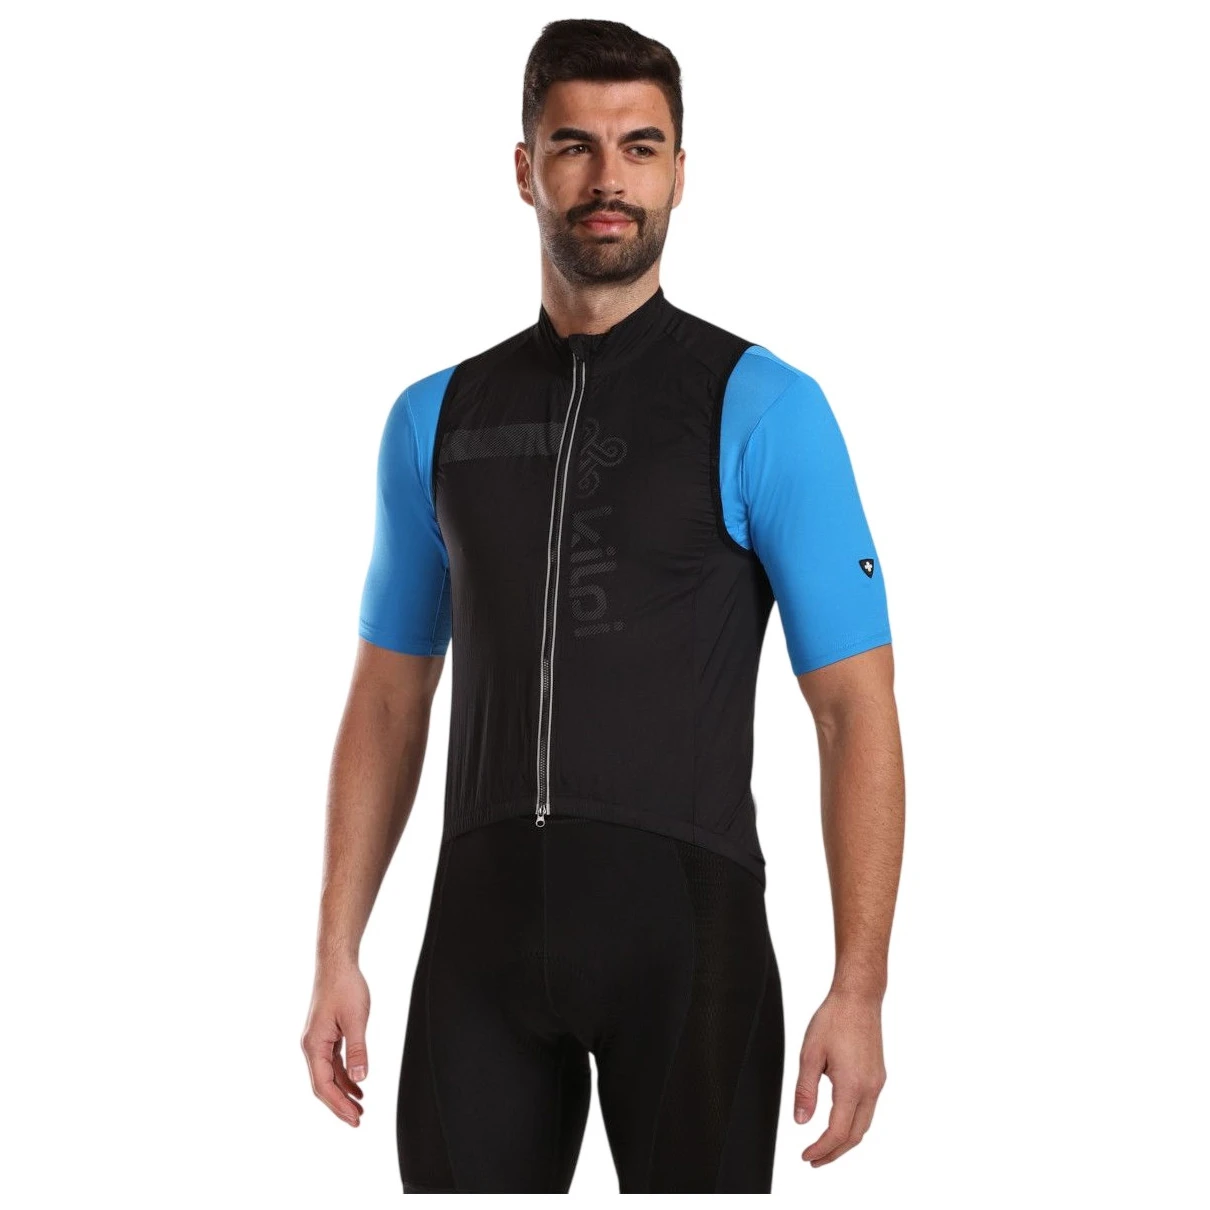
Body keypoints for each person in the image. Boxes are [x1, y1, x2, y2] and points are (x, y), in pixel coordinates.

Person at [301, 17, 905, 1194]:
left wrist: (860, 984)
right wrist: (336, 947)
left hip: (688, 948)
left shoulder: (766, 407)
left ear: (680, 170)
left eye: (640, 146)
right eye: (574, 145)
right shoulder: (436, 418)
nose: (607, 178)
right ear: (524, 168)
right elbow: (386, 700)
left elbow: (854, 712)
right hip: (478, 950)